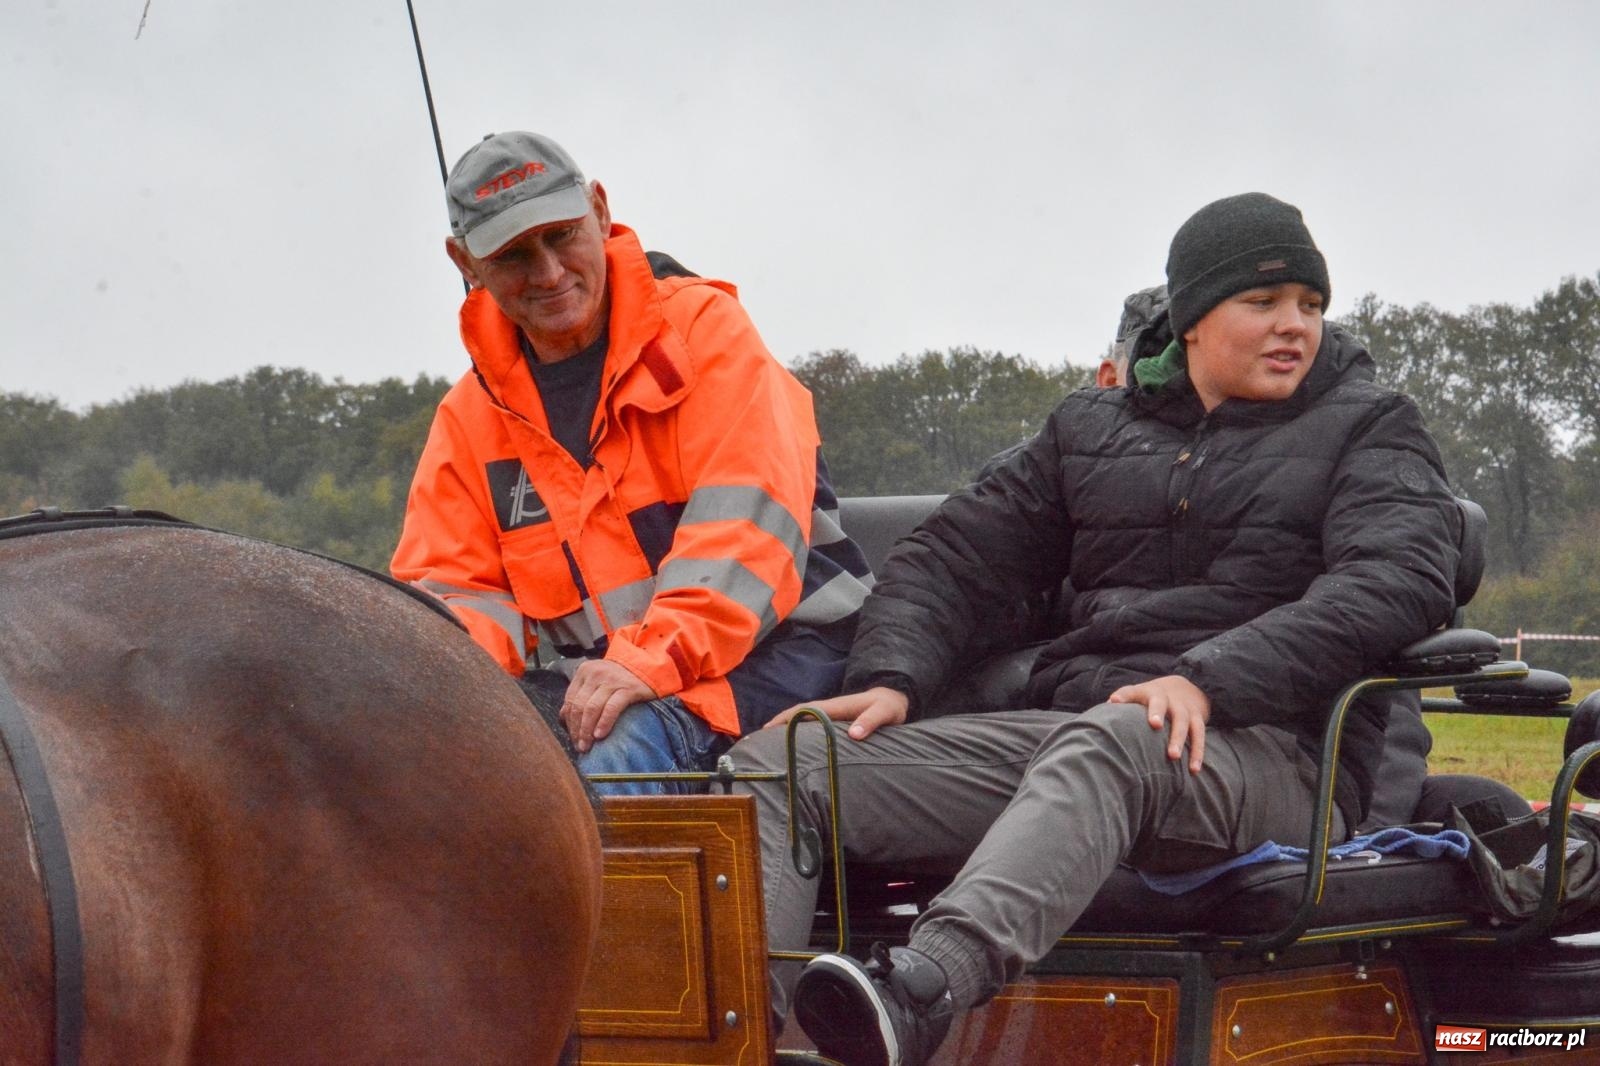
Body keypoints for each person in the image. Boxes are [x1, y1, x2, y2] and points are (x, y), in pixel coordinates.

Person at [729, 192, 1462, 1065]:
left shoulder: (1373, 425)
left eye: (1309, 304)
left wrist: (1210, 677)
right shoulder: (1087, 429)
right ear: (1190, 319)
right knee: (783, 762)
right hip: (1079, 738)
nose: (1292, 326)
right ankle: (736, 1042)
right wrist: (893, 676)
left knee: (1119, 736)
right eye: (1262, 304)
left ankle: (920, 992)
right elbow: (954, 556)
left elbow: (1398, 577)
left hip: (1275, 754)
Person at [392, 131, 870, 795]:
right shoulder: (468, 420)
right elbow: (455, 603)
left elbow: (742, 543)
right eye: (514, 254)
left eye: (561, 236)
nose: (550, 272)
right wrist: (407, 701)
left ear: (600, 210)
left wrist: (648, 661)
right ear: (464, 260)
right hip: (612, 683)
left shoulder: (707, 332)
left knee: (618, 756)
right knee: (432, 776)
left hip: (786, 656)